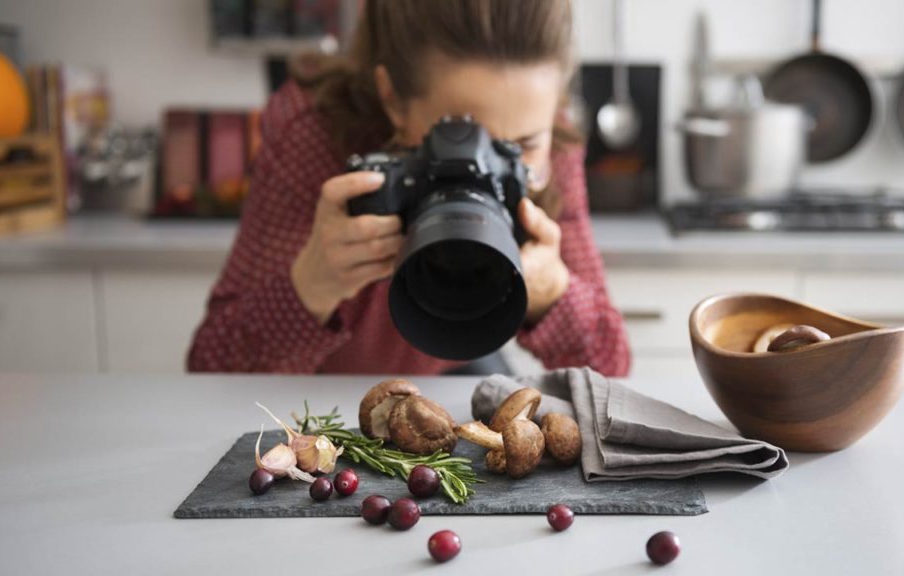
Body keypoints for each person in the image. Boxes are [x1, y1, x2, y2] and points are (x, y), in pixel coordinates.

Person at [187, 0, 630, 376]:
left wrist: (554, 293)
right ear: (392, 100)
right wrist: (311, 284)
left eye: (522, 146)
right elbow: (211, 368)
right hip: (313, 384)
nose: (484, 169)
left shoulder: (553, 141)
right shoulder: (314, 131)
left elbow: (612, 367)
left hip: (456, 360)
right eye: (460, 138)